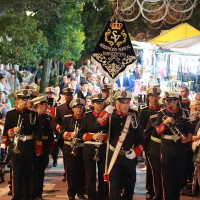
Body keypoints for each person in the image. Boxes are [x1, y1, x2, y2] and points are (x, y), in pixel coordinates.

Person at [97, 90, 143, 200]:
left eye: (127, 103)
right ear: (116, 103)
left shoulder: (134, 115)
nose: (125, 105)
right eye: (122, 102)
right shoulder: (111, 114)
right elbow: (97, 126)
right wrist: (105, 113)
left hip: (129, 156)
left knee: (130, 185)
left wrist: (136, 152)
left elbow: (140, 137)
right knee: (114, 187)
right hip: (114, 156)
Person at [2, 89, 43, 200]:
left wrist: (38, 148)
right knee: (17, 174)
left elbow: (38, 132)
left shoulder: (33, 114)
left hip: (29, 145)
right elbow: (5, 132)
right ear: (17, 101)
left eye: (27, 99)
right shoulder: (11, 114)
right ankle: (17, 196)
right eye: (22, 99)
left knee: (28, 173)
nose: (25, 102)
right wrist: (12, 130)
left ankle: (28, 195)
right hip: (17, 144)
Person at [156, 91, 193, 200]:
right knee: (167, 178)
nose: (167, 102)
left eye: (170, 100)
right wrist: (165, 124)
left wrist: (189, 138)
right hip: (167, 148)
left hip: (180, 148)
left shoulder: (185, 113)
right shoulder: (161, 113)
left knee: (179, 177)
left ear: (177, 101)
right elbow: (158, 131)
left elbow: (189, 131)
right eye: (166, 100)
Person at [80, 93, 109, 200]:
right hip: (89, 148)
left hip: (103, 148)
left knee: (103, 174)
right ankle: (92, 196)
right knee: (90, 175)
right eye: (97, 102)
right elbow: (81, 134)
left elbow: (112, 133)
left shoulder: (108, 116)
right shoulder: (87, 116)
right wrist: (92, 136)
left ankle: (103, 195)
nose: (100, 105)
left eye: (101, 102)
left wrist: (104, 137)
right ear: (92, 104)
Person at [60, 98, 86, 200]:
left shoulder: (85, 118)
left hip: (82, 148)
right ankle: (71, 193)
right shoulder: (67, 118)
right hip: (69, 148)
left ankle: (81, 192)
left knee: (82, 171)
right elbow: (62, 133)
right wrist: (70, 134)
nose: (79, 109)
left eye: (81, 107)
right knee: (71, 171)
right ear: (72, 109)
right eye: (76, 107)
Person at [139, 87, 161, 200]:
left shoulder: (162, 110)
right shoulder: (144, 111)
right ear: (148, 97)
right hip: (149, 143)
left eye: (157, 96)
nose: (155, 98)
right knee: (151, 168)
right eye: (152, 96)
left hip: (161, 143)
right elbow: (141, 128)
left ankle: (160, 191)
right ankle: (150, 191)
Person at [31, 95, 54, 200]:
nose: (47, 107)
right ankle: (30, 193)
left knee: (40, 172)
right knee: (31, 172)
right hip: (32, 147)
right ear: (39, 105)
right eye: (45, 105)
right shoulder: (31, 117)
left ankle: (38, 194)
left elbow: (50, 134)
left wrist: (51, 147)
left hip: (44, 147)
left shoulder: (48, 118)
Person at [54, 88, 74, 181]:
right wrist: (59, 128)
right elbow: (56, 121)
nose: (69, 97)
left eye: (70, 95)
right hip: (64, 136)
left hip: (75, 135)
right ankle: (67, 173)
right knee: (66, 157)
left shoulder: (78, 106)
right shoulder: (60, 108)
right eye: (67, 95)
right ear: (64, 96)